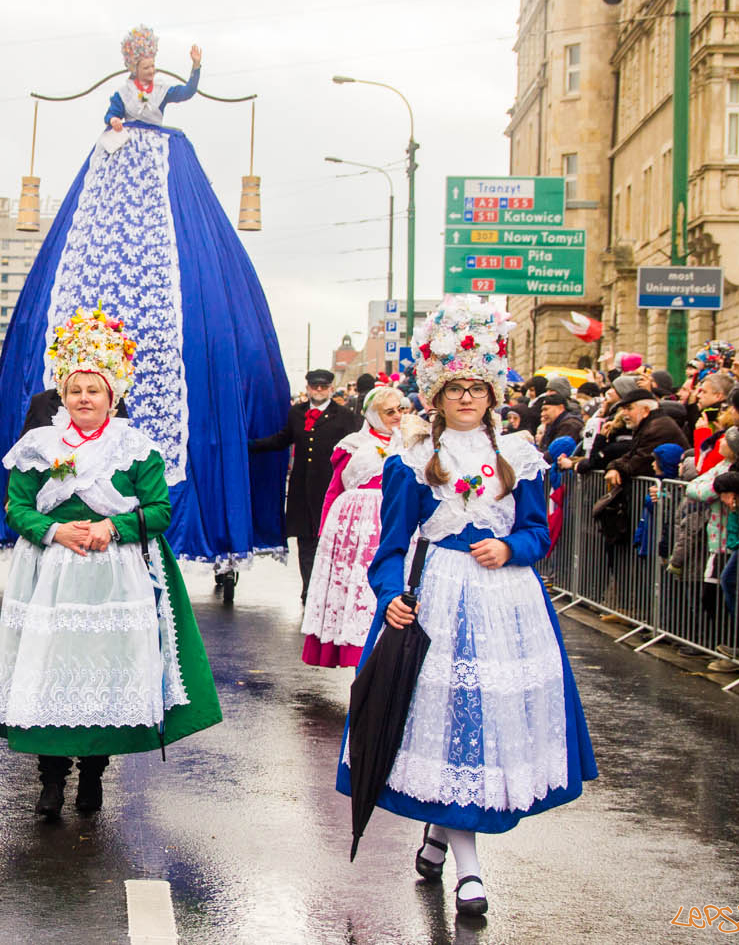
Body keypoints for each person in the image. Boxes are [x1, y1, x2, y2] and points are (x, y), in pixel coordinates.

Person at [0, 26, 288, 589]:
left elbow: (186, 92)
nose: (147, 71)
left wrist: (196, 68)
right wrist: (117, 125)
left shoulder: (165, 99)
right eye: (140, 61)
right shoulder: (123, 95)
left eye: (151, 62)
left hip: (161, 158)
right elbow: (110, 115)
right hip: (118, 157)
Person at [335, 296, 596, 918]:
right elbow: (391, 543)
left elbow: (539, 534)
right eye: (456, 389)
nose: (468, 399)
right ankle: (469, 871)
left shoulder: (521, 456)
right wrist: (392, 596)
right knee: (443, 716)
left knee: (481, 720)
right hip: (439, 598)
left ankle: (440, 835)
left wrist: (509, 548)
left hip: (506, 602)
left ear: (492, 393)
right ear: (438, 395)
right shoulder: (411, 458)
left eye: (478, 388)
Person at [0, 307, 221, 817]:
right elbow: (16, 506)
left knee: (105, 672)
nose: (84, 399)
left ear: (112, 397)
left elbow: (159, 510)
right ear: (62, 396)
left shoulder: (135, 448)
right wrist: (53, 530)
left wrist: (113, 527)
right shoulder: (38, 447)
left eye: (95, 390)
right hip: (50, 575)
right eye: (75, 390)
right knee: (47, 668)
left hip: (112, 575)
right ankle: (50, 778)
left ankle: (93, 774)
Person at [300, 386, 407, 668]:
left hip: (395, 519)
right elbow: (335, 489)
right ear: (373, 414)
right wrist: (326, 532)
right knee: (357, 586)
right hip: (355, 527)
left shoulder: (411, 442)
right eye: (389, 411)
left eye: (400, 409)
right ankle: (359, 655)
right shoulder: (353, 445)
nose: (397, 416)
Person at [250, 369, 363, 602]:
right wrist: (251, 445)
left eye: (323, 387)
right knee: (305, 541)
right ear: (309, 388)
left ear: (331, 388)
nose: (319, 390)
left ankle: (328, 589)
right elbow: (283, 439)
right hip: (302, 489)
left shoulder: (344, 415)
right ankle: (309, 588)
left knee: (328, 540)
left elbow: (357, 447)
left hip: (330, 488)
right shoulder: (297, 413)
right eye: (314, 386)